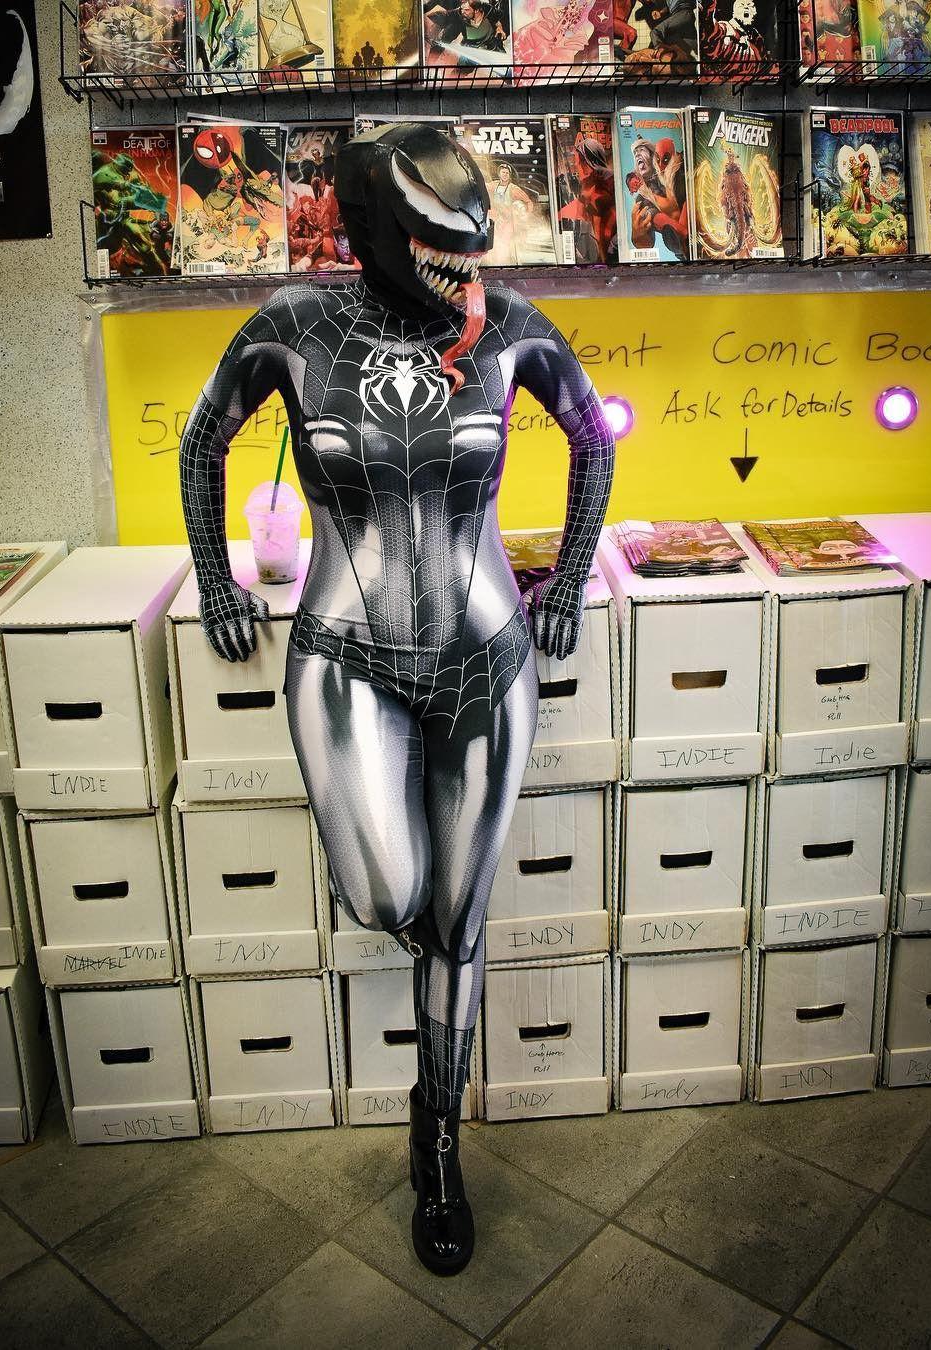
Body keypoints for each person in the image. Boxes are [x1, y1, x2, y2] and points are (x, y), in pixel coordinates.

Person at [178, 122, 614, 1277]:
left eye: (469, 242)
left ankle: (438, 1145)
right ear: (371, 225)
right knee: (390, 895)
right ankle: (437, 965)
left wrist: (569, 578)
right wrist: (217, 578)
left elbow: (592, 433)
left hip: (488, 654)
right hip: (346, 650)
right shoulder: (294, 324)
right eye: (433, 240)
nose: (462, 264)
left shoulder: (506, 324)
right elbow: (202, 440)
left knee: (461, 923)